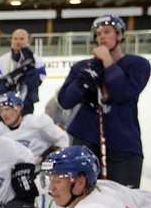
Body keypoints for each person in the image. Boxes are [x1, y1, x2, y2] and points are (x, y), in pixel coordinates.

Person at [57, 15, 150, 189]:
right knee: (85, 197)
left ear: (120, 35)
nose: (102, 36)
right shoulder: (82, 67)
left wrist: (107, 62)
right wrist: (82, 82)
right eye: (98, 33)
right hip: (86, 139)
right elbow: (65, 101)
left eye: (107, 32)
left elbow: (123, 93)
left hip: (123, 141)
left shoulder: (138, 65)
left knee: (124, 199)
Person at [0, 92, 69, 208]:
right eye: (1, 110)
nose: (4, 114)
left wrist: (50, 155)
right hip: (14, 177)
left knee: (44, 194)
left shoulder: (38, 122)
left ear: (19, 108)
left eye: (8, 108)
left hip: (40, 172)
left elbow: (63, 140)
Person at [0, 29, 46, 117]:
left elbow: (34, 83)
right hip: (4, 105)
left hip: (26, 105)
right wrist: (10, 80)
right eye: (15, 38)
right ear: (11, 40)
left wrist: (29, 69)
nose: (18, 41)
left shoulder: (37, 61)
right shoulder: (2, 61)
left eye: (21, 39)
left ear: (28, 41)